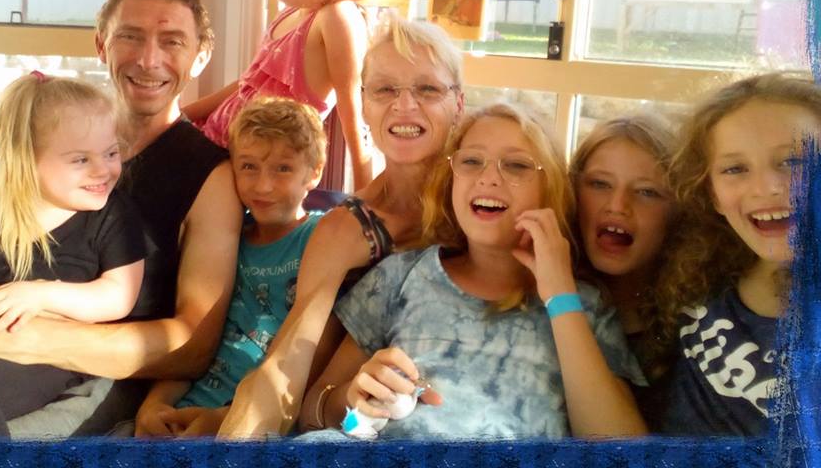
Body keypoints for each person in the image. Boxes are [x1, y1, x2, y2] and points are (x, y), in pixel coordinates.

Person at [0, 0, 243, 436]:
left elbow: (193, 347)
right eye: (130, 36)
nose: (148, 59)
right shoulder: (59, 135)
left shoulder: (209, 176)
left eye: (172, 42)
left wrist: (27, 337)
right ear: (101, 44)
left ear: (200, 57)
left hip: (83, 370)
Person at [297, 102, 647, 439]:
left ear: (550, 188)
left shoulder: (584, 305)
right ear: (451, 182)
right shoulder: (399, 277)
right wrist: (353, 398)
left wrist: (560, 296)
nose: (488, 178)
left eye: (516, 166)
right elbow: (312, 415)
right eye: (471, 161)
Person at [217, 16, 465, 438]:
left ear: (458, 102)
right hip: (361, 418)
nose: (405, 105)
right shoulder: (345, 230)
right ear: (363, 104)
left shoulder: (485, 204)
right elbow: (287, 364)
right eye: (385, 89)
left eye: (427, 89)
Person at [0, 74, 148, 436]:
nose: (104, 170)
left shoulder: (112, 216)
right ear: (26, 160)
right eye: (81, 159)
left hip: (53, 360)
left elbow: (119, 296)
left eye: (111, 153)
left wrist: (39, 294)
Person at [132, 97, 327, 438]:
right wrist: (153, 405)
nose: (263, 185)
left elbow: (315, 360)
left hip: (257, 423)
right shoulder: (225, 238)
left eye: (283, 169)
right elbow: (198, 344)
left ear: (314, 172)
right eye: (248, 166)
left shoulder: (324, 239)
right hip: (184, 412)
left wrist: (224, 419)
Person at [648, 73, 821, 436]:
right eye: (735, 169)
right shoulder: (702, 279)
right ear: (711, 193)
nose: (767, 188)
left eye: (794, 162)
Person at [181, 0, 389, 190]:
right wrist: (184, 115)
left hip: (254, 166)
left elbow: (353, 113)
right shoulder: (291, 12)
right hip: (217, 140)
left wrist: (366, 198)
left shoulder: (337, 16)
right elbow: (246, 85)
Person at [570, 116, 678, 340]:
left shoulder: (703, 319)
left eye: (646, 192)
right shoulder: (539, 292)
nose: (617, 206)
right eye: (600, 184)